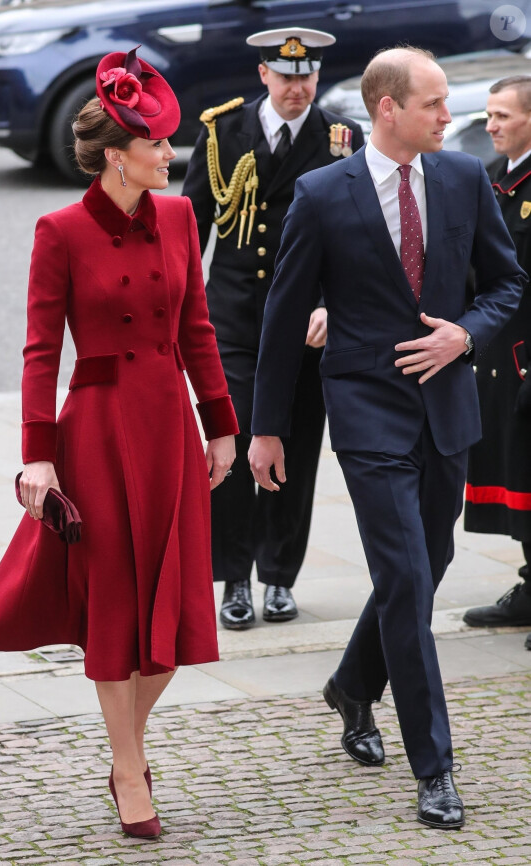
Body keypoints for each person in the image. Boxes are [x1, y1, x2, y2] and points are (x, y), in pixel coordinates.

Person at [0, 48, 238, 839]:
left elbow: (198, 328)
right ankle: (128, 769)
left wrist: (220, 424)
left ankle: (129, 744)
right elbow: (40, 350)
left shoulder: (182, 216)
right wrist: (36, 453)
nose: (168, 155)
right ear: (118, 156)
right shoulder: (61, 230)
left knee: (175, 622)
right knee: (118, 608)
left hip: (170, 429)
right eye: (155, 145)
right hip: (98, 431)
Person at [248, 47, 525, 828]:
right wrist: (266, 428)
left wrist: (462, 336)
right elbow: (281, 317)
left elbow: (506, 284)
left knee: (428, 561)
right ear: (387, 109)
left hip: (448, 405)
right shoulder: (321, 193)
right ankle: (434, 769)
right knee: (406, 575)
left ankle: (350, 684)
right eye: (435, 103)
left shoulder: (465, 178)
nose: (450, 116)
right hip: (366, 407)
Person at [182, 27, 363, 630]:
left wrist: (334, 304)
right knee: (229, 451)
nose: (298, 88)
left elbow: (355, 237)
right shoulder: (222, 132)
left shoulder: (340, 139)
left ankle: (279, 576)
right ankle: (233, 576)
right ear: (263, 74)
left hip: (304, 325)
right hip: (231, 318)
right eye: (286, 77)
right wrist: (183, 314)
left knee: (295, 446)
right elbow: (190, 232)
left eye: (307, 76)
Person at [462, 75, 531, 648]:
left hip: (526, 357)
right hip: (497, 359)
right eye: (488, 115)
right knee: (514, 475)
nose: (491, 126)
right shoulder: (492, 178)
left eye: (503, 115)